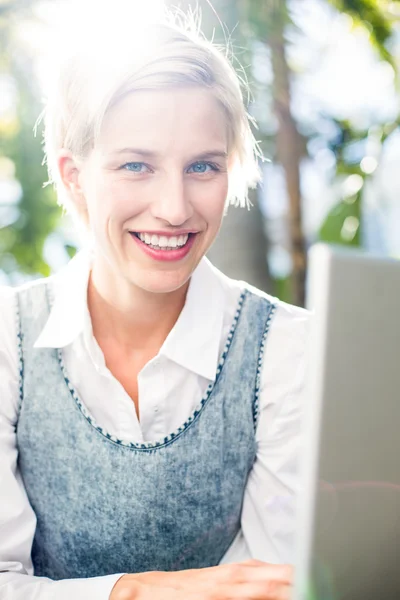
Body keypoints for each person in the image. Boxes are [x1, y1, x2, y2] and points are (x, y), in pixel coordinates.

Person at [0, 9, 309, 600]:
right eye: (136, 165)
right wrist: (141, 592)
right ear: (73, 177)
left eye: (203, 167)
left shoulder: (290, 350)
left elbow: (277, 589)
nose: (174, 207)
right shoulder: (6, 342)